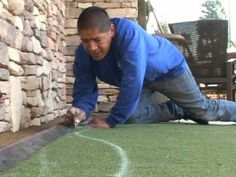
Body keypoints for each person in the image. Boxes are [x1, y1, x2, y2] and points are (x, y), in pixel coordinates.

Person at [66, 6, 236, 128]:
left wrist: (111, 121)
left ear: (111, 30)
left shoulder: (129, 34)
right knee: (131, 117)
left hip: (168, 70)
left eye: (97, 40)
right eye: (85, 41)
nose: (92, 48)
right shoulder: (84, 53)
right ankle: (178, 110)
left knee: (203, 110)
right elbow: (85, 86)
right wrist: (81, 110)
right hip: (143, 80)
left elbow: (132, 79)